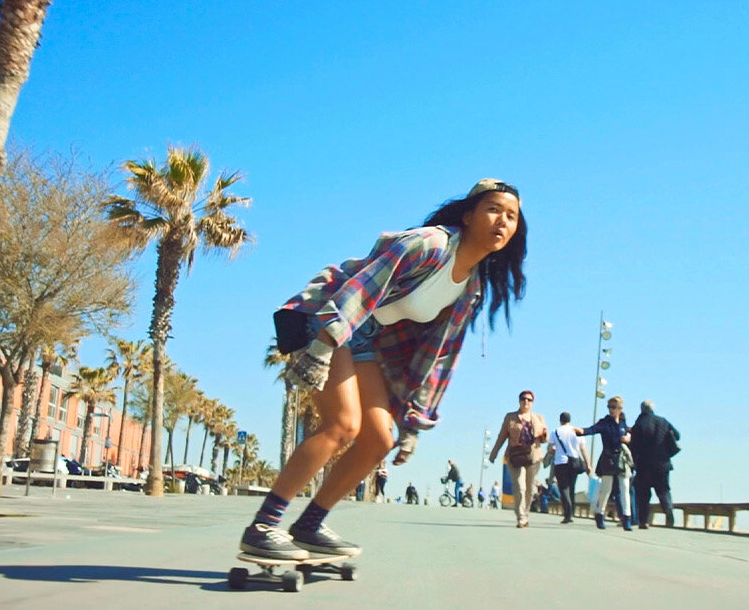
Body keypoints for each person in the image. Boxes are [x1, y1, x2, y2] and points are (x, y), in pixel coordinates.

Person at [239, 179, 528, 561]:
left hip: (365, 338)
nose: (502, 221)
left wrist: (414, 423)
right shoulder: (431, 245)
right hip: (330, 314)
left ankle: (309, 525)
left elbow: (440, 356)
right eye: (493, 209)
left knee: (378, 439)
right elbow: (361, 289)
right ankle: (262, 527)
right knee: (342, 425)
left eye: (511, 216)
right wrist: (324, 345)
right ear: (469, 215)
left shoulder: (469, 289)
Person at [489, 389, 548, 528]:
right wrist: (494, 452)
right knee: (519, 487)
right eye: (523, 399)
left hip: (533, 457)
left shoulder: (538, 418)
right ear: (519, 401)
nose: (526, 401)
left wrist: (544, 434)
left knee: (529, 489)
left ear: (532, 402)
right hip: (515, 456)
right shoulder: (510, 417)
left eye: (529, 399)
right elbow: (502, 436)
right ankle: (521, 516)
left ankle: (525, 514)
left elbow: (545, 439)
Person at [576, 395, 633, 531]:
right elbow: (592, 429)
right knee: (606, 489)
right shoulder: (605, 422)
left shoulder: (623, 423)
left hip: (621, 458)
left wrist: (628, 438)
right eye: (609, 407)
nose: (611, 410)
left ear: (620, 408)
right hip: (608, 458)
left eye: (614, 407)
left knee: (625, 488)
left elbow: (629, 434)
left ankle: (627, 518)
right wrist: (581, 431)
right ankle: (600, 514)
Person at [631, 399, 680, 528]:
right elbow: (677, 435)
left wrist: (633, 463)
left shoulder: (639, 424)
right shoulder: (663, 421)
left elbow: (633, 446)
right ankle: (669, 514)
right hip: (663, 463)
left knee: (643, 493)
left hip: (644, 465)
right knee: (664, 490)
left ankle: (643, 521)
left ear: (641, 409)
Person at [549, 411, 591, 524]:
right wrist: (588, 464)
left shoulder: (555, 431)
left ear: (560, 420)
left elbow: (550, 449)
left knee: (563, 488)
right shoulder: (576, 431)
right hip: (574, 462)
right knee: (572, 487)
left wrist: (554, 450)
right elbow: (583, 450)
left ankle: (567, 514)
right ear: (570, 420)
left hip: (561, 462)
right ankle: (571, 512)